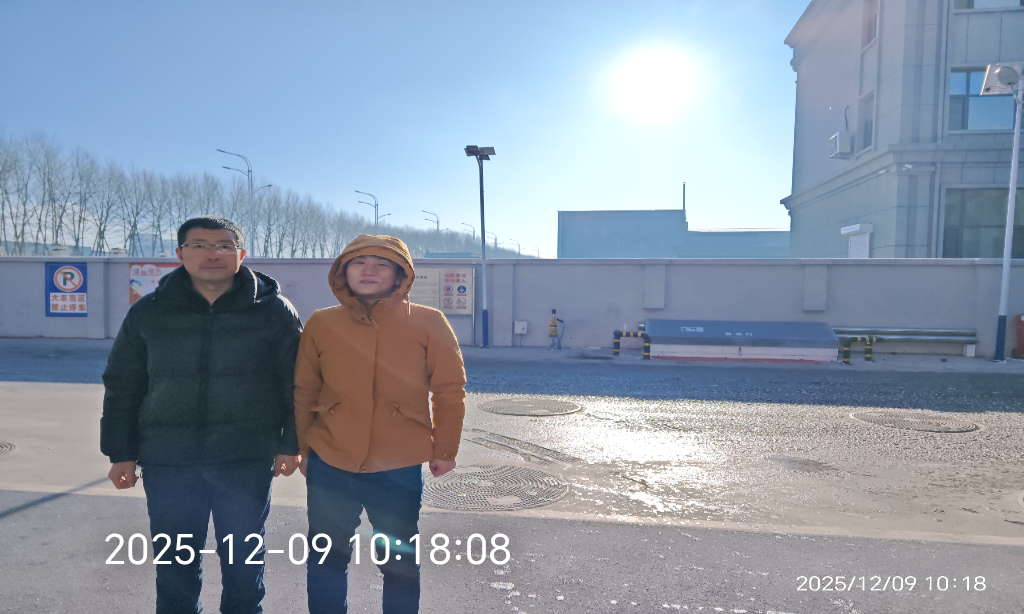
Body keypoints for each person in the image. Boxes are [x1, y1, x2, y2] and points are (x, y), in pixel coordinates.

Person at [101, 216, 303, 614]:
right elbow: (123, 385)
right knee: (175, 568)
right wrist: (120, 452)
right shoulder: (150, 312)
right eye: (200, 245)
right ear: (180, 254)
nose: (213, 254)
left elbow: (296, 385)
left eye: (225, 245)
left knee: (244, 565)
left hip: (245, 460)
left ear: (241, 254)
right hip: (169, 462)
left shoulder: (273, 311)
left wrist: (291, 443)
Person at [294, 234, 467, 614]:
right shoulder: (322, 323)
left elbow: (449, 389)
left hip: (397, 465)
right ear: (343, 272)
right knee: (326, 556)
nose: (369, 270)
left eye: (382, 263)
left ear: (400, 275)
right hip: (330, 460)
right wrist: (304, 449)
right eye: (358, 262)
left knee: (399, 562)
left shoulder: (428, 321)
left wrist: (445, 449)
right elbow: (305, 389)